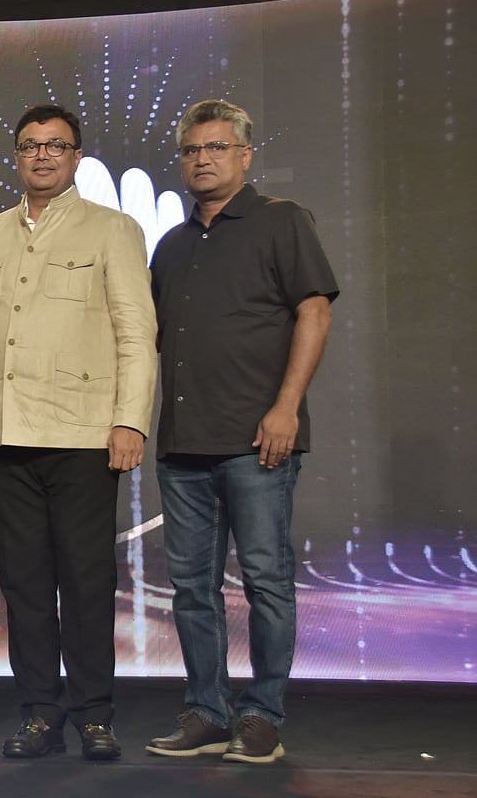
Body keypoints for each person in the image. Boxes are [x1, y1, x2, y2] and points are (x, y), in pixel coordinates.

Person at [145, 99, 337, 764]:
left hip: (259, 442)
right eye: (193, 150)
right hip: (183, 447)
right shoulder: (169, 245)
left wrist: (286, 408)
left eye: (218, 148)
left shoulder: (281, 222)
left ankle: (260, 715)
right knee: (191, 588)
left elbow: (314, 312)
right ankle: (205, 711)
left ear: (245, 155)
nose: (203, 159)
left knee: (265, 581)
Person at [0, 104, 157, 761]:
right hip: (5, 436)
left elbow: (138, 333)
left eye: (57, 146)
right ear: (16, 156)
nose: (43, 156)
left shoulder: (114, 230)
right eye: (30, 146)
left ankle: (94, 714)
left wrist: (130, 419)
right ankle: (41, 714)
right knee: (22, 585)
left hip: (82, 436)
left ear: (76, 156)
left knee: (84, 583)